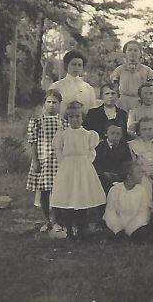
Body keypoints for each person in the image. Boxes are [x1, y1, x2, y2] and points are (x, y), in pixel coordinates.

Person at [50, 101, 106, 240]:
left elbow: (91, 152)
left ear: (82, 118)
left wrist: (85, 164)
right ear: (67, 118)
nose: (74, 119)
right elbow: (59, 152)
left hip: (83, 168)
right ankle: (69, 230)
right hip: (68, 168)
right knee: (67, 198)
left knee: (82, 198)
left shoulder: (88, 135)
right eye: (71, 117)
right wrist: (65, 164)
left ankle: (81, 230)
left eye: (77, 116)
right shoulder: (62, 135)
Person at [26, 89, 68, 233]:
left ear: (60, 105)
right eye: (48, 102)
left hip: (58, 162)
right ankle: (47, 220)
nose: (51, 105)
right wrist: (35, 161)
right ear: (44, 104)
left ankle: (57, 220)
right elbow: (33, 142)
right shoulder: (36, 122)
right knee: (44, 191)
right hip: (43, 161)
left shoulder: (63, 123)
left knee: (57, 191)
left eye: (55, 102)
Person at [103, 161, 153, 244]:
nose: (142, 176)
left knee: (141, 234)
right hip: (118, 224)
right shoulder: (115, 189)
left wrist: (130, 229)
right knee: (112, 235)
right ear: (129, 176)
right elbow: (110, 212)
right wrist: (118, 229)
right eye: (139, 173)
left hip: (136, 225)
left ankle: (131, 238)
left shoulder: (142, 191)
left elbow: (143, 212)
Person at [110, 40, 153, 112]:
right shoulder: (119, 70)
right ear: (125, 53)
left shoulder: (147, 71)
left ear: (140, 53)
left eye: (135, 50)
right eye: (129, 50)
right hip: (122, 104)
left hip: (140, 103)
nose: (132, 53)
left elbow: (152, 90)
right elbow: (114, 89)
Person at [49, 49, 97, 115]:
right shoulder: (56, 86)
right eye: (73, 64)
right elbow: (49, 109)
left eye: (79, 65)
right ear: (66, 65)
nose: (76, 68)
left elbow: (92, 112)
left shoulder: (89, 89)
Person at [93, 119, 132, 194]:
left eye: (118, 133)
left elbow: (128, 163)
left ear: (121, 135)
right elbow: (96, 164)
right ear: (106, 134)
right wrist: (103, 174)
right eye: (112, 133)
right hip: (103, 178)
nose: (115, 136)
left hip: (120, 178)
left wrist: (120, 175)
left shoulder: (124, 147)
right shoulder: (99, 147)